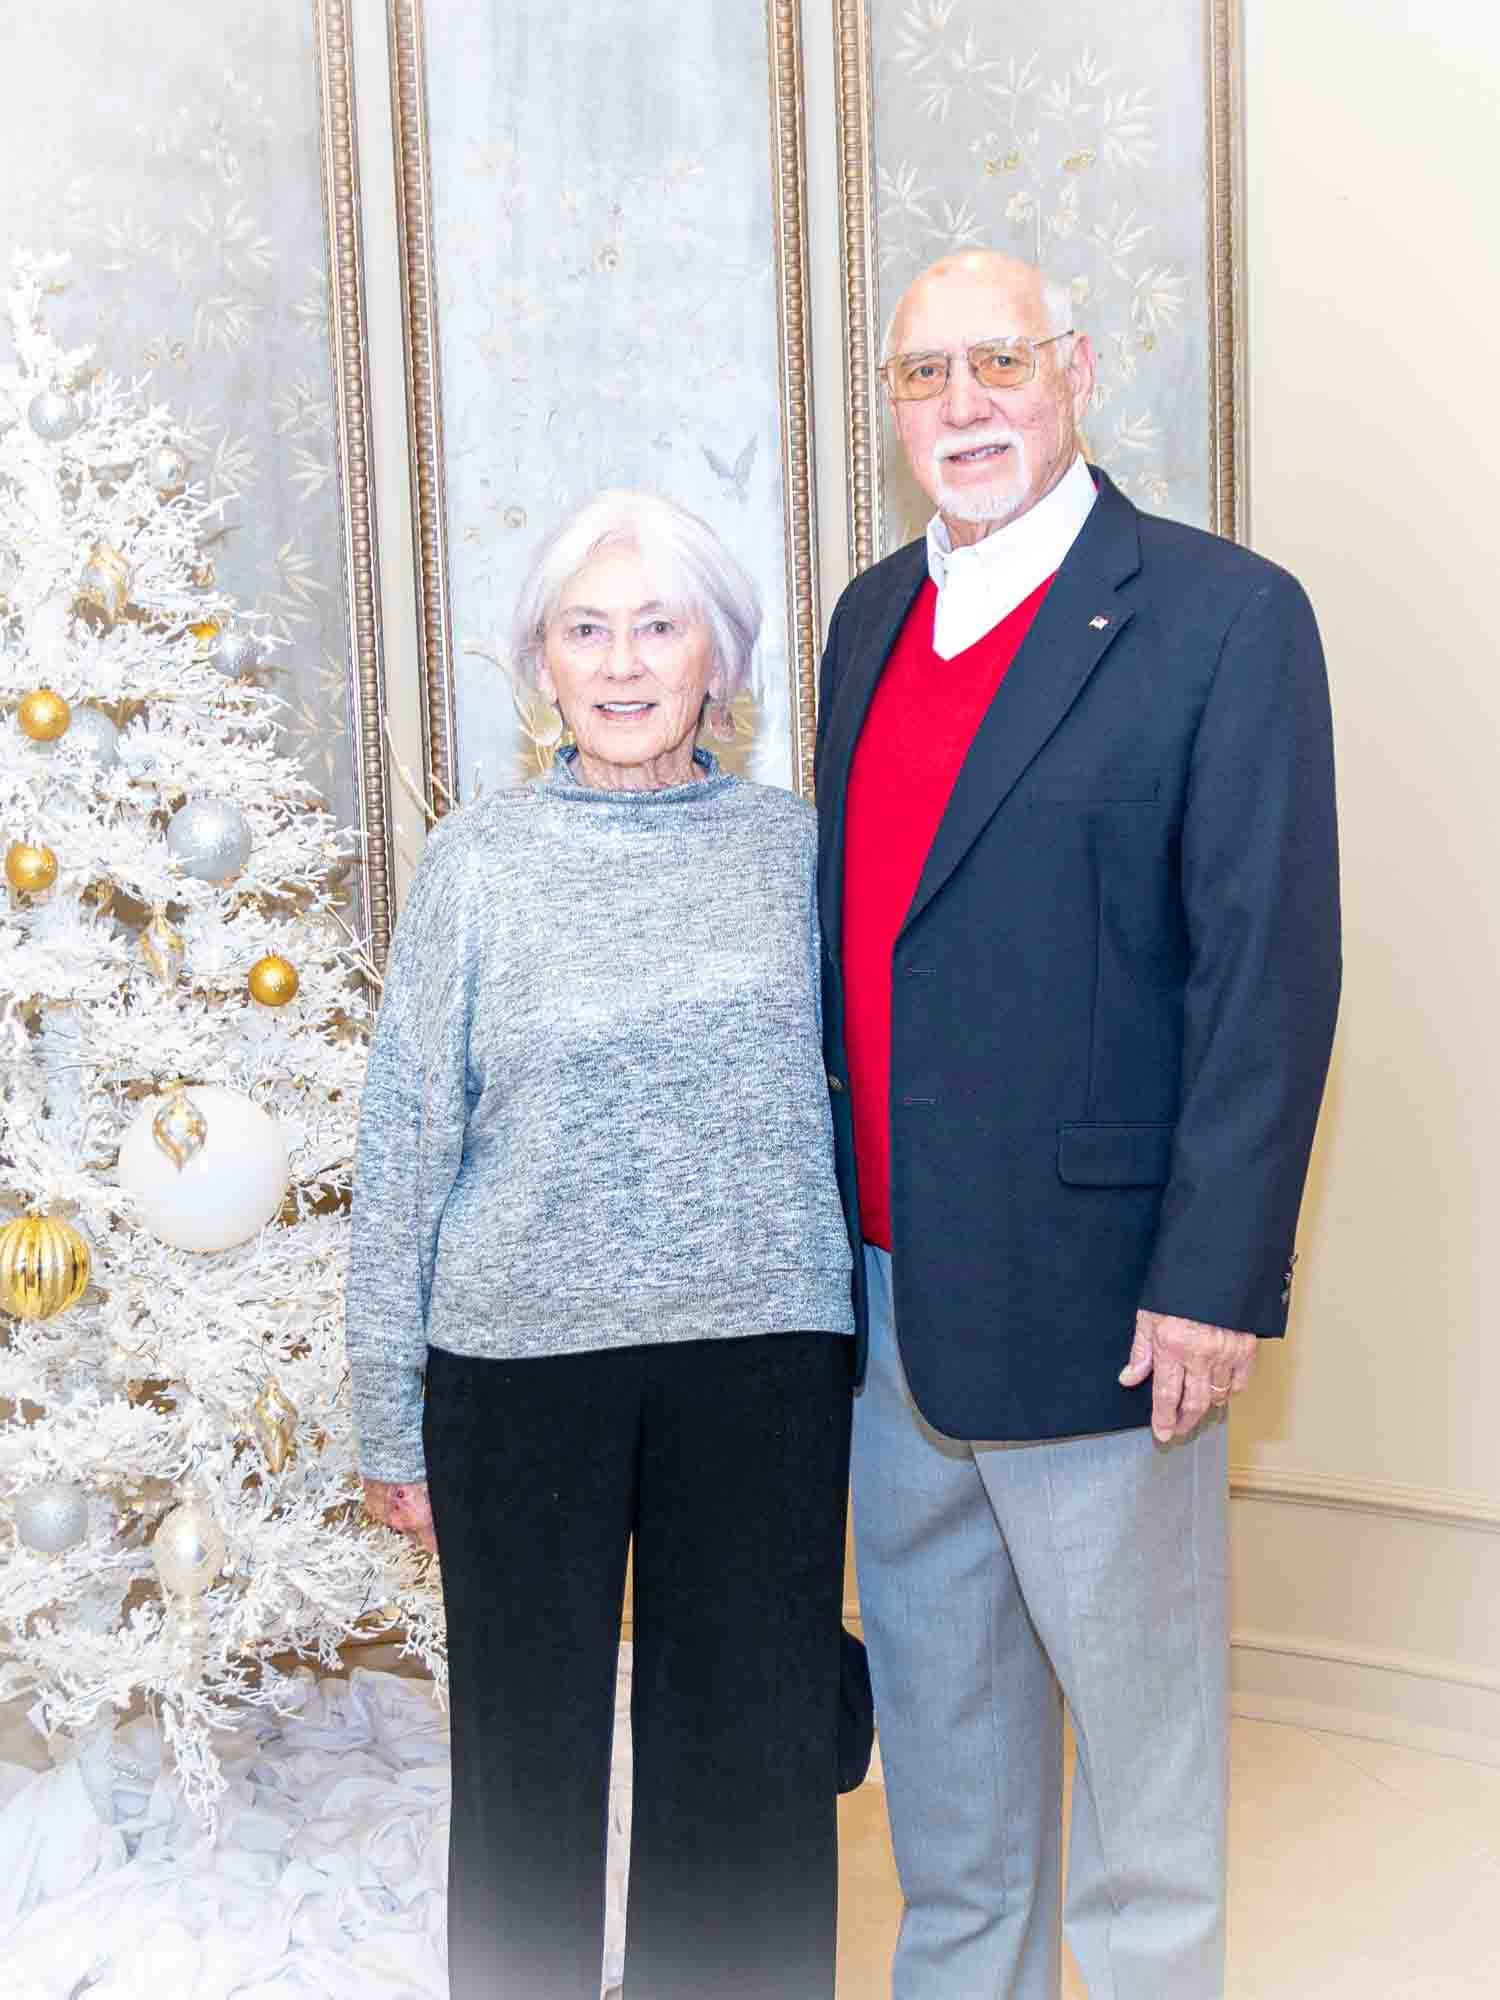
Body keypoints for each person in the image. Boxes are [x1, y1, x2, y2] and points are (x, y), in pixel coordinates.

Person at [815, 251, 1340, 1997]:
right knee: (953, 1815)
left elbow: (1269, 972)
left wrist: (1213, 1280)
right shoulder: (869, 619)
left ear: (1078, 371)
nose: (961, 404)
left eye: (1000, 361)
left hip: (1111, 1312)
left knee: (1141, 1815)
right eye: (922, 373)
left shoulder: (1221, 616)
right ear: (893, 407)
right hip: (893, 1307)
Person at [345, 490, 856, 2000]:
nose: (623, 663)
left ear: (719, 659)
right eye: (587, 630)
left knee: (752, 1757)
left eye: (658, 626)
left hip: (762, 1359)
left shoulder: (797, 853)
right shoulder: (476, 863)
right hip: (517, 1369)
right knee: (524, 1759)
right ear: (543, 666)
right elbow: (404, 1142)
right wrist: (386, 1414)